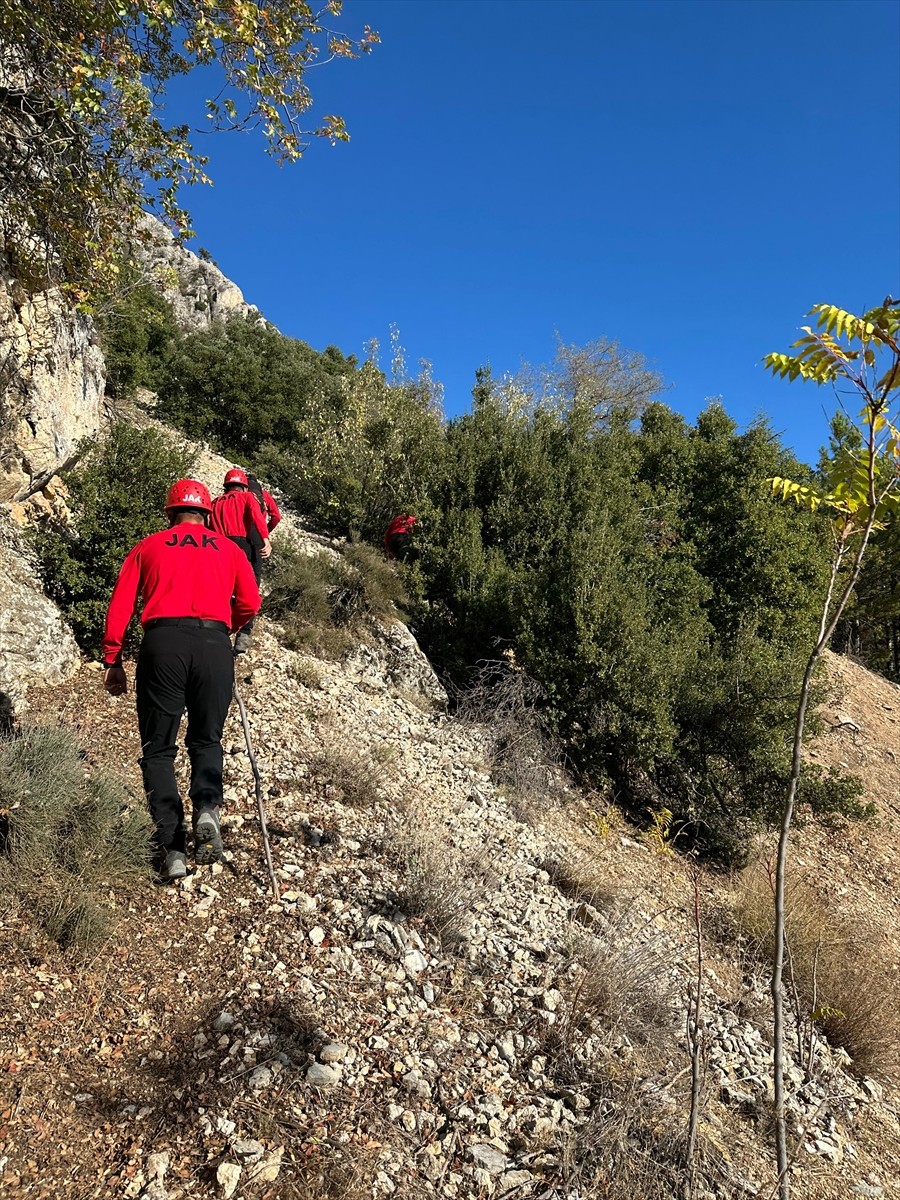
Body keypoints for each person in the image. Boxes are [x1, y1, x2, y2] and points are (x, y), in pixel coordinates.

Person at [102, 479, 261, 881]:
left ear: (170, 513)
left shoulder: (149, 545)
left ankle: (172, 846)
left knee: (158, 749)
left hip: (163, 642)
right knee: (207, 739)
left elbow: (122, 600)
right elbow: (250, 602)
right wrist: (226, 631)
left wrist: (113, 657)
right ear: (207, 514)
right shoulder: (228, 548)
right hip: (213, 642)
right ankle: (206, 807)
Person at [211, 468, 271, 654]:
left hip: (219, 545)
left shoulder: (214, 503)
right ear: (244, 487)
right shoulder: (247, 498)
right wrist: (265, 538)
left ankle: (219, 627)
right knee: (248, 587)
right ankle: (243, 632)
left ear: (226, 486)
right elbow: (256, 516)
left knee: (222, 589)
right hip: (242, 544)